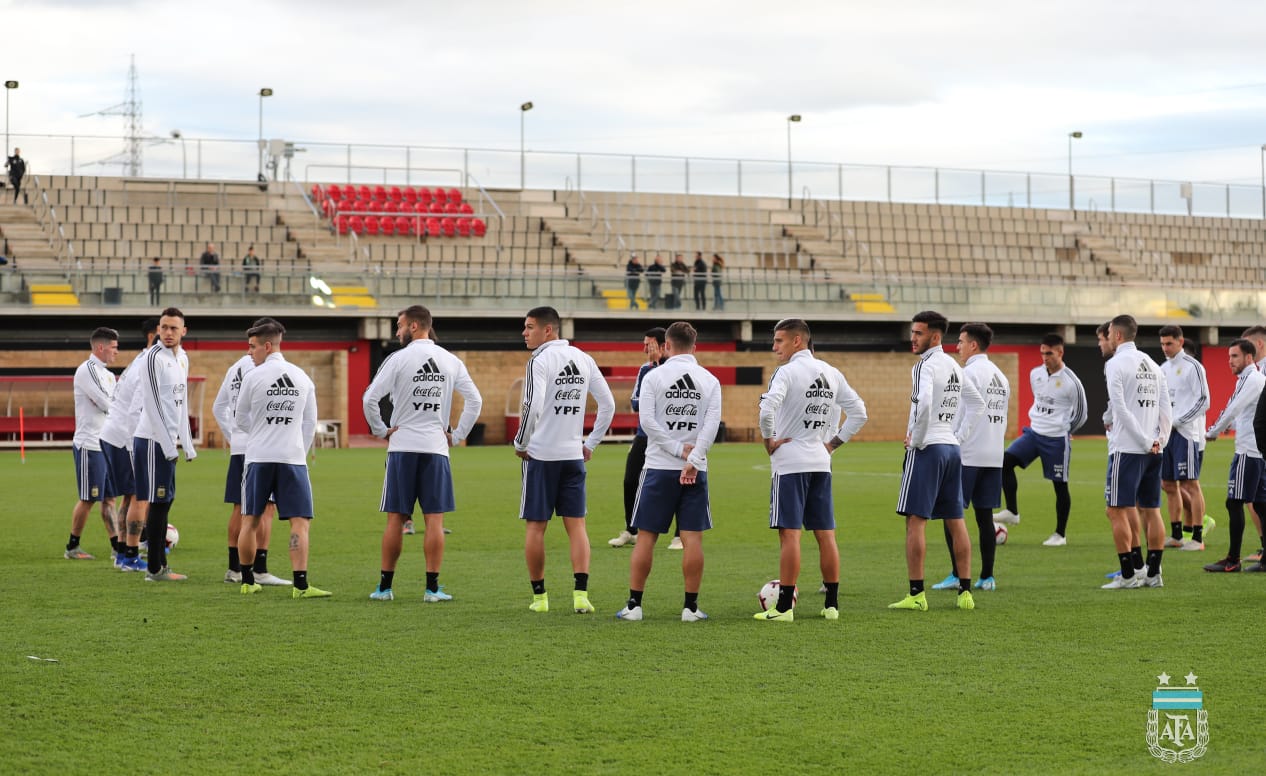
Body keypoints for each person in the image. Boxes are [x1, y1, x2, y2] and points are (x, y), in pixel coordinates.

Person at [363, 305, 483, 602]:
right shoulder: (449, 360)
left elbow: (369, 399)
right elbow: (475, 400)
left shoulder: (398, 359)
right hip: (436, 450)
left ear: (415, 326)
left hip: (403, 448)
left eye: (399, 325)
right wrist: (458, 436)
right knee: (434, 521)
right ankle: (431, 589)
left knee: (395, 520)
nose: (397, 331)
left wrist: (381, 430)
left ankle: (385, 587)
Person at [754, 318, 868, 621]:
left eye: (779, 340)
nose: (774, 346)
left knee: (790, 535)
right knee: (825, 534)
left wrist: (768, 440)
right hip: (821, 462)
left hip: (790, 462)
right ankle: (831, 605)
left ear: (796, 341)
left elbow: (767, 409)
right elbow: (859, 412)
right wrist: (832, 444)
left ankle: (783, 609)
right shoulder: (831, 372)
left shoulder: (786, 372)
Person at [616, 322, 721, 622]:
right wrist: (694, 457)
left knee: (646, 537)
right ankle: (690, 608)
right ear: (695, 347)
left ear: (667, 347)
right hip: (695, 470)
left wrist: (677, 451)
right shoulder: (709, 380)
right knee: (692, 539)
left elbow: (647, 421)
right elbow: (711, 425)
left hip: (659, 468)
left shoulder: (654, 376)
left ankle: (634, 606)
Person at [514, 305, 615, 614]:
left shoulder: (540, 360)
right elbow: (608, 404)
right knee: (577, 526)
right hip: (573, 456)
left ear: (548, 330)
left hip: (542, 455)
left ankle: (540, 599)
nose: (524, 332)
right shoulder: (583, 358)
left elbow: (532, 405)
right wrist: (590, 444)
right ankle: (581, 596)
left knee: (535, 528)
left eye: (529, 327)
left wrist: (521, 441)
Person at [889, 311, 984, 612]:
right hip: (951, 449)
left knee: (915, 521)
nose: (913, 338)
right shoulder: (954, 366)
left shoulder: (925, 366)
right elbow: (977, 405)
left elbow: (925, 403)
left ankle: (916, 594)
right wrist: (958, 435)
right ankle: (965, 593)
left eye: (918, 333)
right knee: (956, 520)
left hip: (928, 448)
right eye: (912, 332)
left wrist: (916, 439)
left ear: (935, 336)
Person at [233, 321, 328, 598]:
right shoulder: (301, 377)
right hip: (292, 459)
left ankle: (248, 581)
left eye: (252, 347)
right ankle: (300, 586)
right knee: (299, 522)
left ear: (266, 345)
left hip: (259, 458)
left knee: (250, 520)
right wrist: (298, 446)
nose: (249, 353)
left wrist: (261, 433)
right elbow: (310, 422)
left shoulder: (253, 377)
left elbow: (240, 419)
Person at [211, 317, 290, 587]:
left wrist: (233, 435)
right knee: (264, 509)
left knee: (240, 508)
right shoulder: (263, 368)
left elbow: (218, 407)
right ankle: (260, 569)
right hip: (263, 447)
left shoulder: (236, 367)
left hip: (240, 448)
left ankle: (235, 568)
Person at [931, 322, 1010, 592]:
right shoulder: (1001, 376)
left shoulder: (968, 374)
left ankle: (956, 574)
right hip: (993, 455)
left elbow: (960, 413)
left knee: (950, 514)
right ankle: (987, 577)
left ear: (973, 345)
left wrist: (950, 440)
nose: (958, 347)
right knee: (985, 517)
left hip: (967, 455)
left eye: (962, 342)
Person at [993, 333, 1087, 546]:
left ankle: (1060, 535)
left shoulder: (1072, 382)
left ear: (1060, 352)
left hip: (1056, 439)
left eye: (1049, 353)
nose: (1045, 357)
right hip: (1033, 434)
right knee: (1004, 462)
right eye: (1042, 353)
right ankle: (1012, 511)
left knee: (1059, 485)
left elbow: (1082, 414)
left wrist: (1066, 429)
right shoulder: (1035, 374)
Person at [1100, 314, 1170, 590]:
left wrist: (1143, 440)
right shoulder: (1153, 365)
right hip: (1154, 449)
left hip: (1128, 448)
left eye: (1107, 333)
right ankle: (1153, 573)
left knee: (1115, 509)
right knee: (1151, 510)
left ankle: (1128, 575)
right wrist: (1159, 439)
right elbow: (1166, 408)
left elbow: (1120, 409)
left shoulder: (1115, 364)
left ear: (1117, 335)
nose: (1106, 338)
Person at [127, 307, 197, 582]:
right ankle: (154, 569)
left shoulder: (182, 358)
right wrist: (169, 446)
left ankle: (159, 565)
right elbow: (154, 405)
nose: (168, 333)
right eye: (164, 327)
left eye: (173, 328)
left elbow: (180, 405)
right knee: (158, 502)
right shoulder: (152, 357)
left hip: (167, 442)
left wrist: (187, 443)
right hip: (153, 440)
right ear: (158, 329)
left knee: (164, 501)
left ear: (183, 331)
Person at [1202, 338, 1266, 574]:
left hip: (1248, 451)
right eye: (1229, 357)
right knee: (1260, 504)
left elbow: (1233, 407)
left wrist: (1213, 431)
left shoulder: (1252, 379)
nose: (1230, 361)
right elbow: (1243, 411)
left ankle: (1233, 560)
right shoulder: (1253, 379)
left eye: (1235, 356)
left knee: (1234, 502)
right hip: (1256, 451)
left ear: (1249, 357)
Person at [99, 318, 159, 571]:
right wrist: (135, 446)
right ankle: (131, 556)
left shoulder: (140, 360)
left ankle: (123, 554)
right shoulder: (149, 365)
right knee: (139, 496)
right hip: (124, 437)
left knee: (129, 497)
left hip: (113, 433)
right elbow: (136, 407)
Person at [64, 327, 120, 560]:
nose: (117, 353)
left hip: (105, 444)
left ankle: (118, 547)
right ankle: (72, 547)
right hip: (89, 445)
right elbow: (105, 403)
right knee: (88, 498)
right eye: (114, 348)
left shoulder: (107, 374)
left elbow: (114, 403)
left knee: (109, 498)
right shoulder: (86, 371)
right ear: (101, 347)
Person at [610, 328, 666, 548]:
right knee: (630, 480)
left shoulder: (676, 369)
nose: (644, 349)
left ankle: (681, 534)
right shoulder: (645, 369)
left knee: (678, 482)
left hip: (672, 436)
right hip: (645, 435)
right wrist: (652, 367)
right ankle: (631, 529)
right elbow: (636, 403)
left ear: (663, 346)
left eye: (648, 344)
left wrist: (656, 368)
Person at [1158, 326, 1211, 551]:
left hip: (1186, 434)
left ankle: (1198, 538)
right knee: (1169, 484)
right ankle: (1177, 534)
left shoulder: (1193, 367)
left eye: (1169, 343)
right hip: (1165, 435)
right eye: (1162, 344)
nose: (1165, 348)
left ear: (1180, 342)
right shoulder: (1161, 368)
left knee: (1190, 483)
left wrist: (1178, 421)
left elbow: (1203, 401)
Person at [1239, 324, 1266, 563]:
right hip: (1254, 442)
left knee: (1254, 499)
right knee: (1254, 499)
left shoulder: (1259, 373)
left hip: (1257, 445)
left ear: (1258, 345)